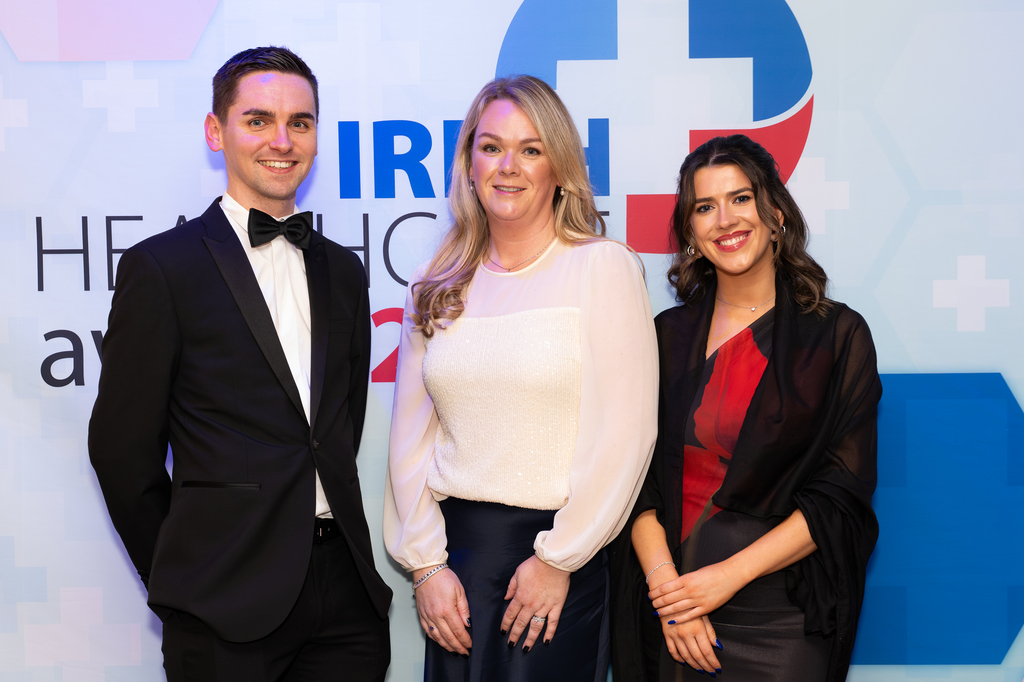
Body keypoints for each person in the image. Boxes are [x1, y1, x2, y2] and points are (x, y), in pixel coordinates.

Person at [88, 46, 391, 681]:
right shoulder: (163, 268)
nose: (282, 141)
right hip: (222, 603)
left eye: (300, 122)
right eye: (258, 120)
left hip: (346, 599)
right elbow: (121, 452)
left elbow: (340, 427)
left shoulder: (344, 270)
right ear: (215, 130)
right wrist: (185, 581)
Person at [383, 75, 658, 682]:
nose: (508, 166)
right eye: (491, 147)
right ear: (469, 164)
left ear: (558, 167)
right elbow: (409, 442)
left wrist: (559, 559)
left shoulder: (602, 267)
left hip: (556, 567)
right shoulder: (435, 282)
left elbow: (626, 435)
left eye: (530, 149)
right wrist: (426, 567)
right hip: (455, 574)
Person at [614, 135, 881, 681]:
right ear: (690, 232)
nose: (724, 220)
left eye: (741, 198)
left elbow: (840, 496)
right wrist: (670, 594)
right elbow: (632, 482)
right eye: (704, 207)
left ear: (776, 213)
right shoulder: (663, 337)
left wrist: (726, 578)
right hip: (673, 609)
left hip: (782, 619)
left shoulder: (837, 336)